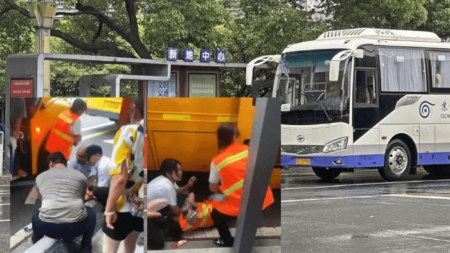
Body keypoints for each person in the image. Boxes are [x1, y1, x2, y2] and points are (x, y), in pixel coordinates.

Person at [209, 124, 275, 247]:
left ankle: (227, 241)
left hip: (241, 205)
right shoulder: (249, 150)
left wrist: (222, 192)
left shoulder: (217, 161)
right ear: (235, 137)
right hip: (263, 201)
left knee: (216, 213)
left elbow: (212, 188)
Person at [102, 98, 145, 253]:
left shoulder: (129, 132)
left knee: (109, 249)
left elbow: (120, 178)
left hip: (124, 206)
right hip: (142, 206)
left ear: (134, 109)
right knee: (130, 245)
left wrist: (109, 210)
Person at [32, 152, 96, 253]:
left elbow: (41, 198)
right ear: (65, 164)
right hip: (76, 228)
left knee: (37, 212)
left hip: (47, 228)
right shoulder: (81, 176)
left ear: (51, 164)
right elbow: (82, 199)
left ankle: (36, 239)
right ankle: (86, 247)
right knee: (91, 213)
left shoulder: (40, 177)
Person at [147, 159, 186, 249]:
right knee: (157, 244)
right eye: (178, 170)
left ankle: (164, 221)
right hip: (145, 214)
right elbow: (176, 211)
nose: (181, 172)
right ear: (168, 174)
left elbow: (178, 191)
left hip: (155, 207)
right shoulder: (167, 187)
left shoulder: (166, 179)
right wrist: (187, 217)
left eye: (180, 169)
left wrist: (189, 185)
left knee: (182, 201)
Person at [9, 98, 27, 177]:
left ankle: (15, 168)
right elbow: (19, 117)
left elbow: (19, 117)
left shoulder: (18, 97)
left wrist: (16, 132)